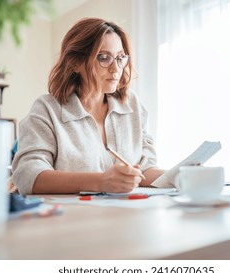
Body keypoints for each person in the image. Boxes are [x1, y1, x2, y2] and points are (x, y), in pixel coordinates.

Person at [11, 17, 165, 195]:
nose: (116, 68)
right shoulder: (47, 109)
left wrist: (180, 176)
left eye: (120, 57)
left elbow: (144, 171)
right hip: (69, 220)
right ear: (75, 62)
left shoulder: (133, 106)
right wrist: (101, 182)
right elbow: (27, 176)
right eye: (104, 58)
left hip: (125, 218)